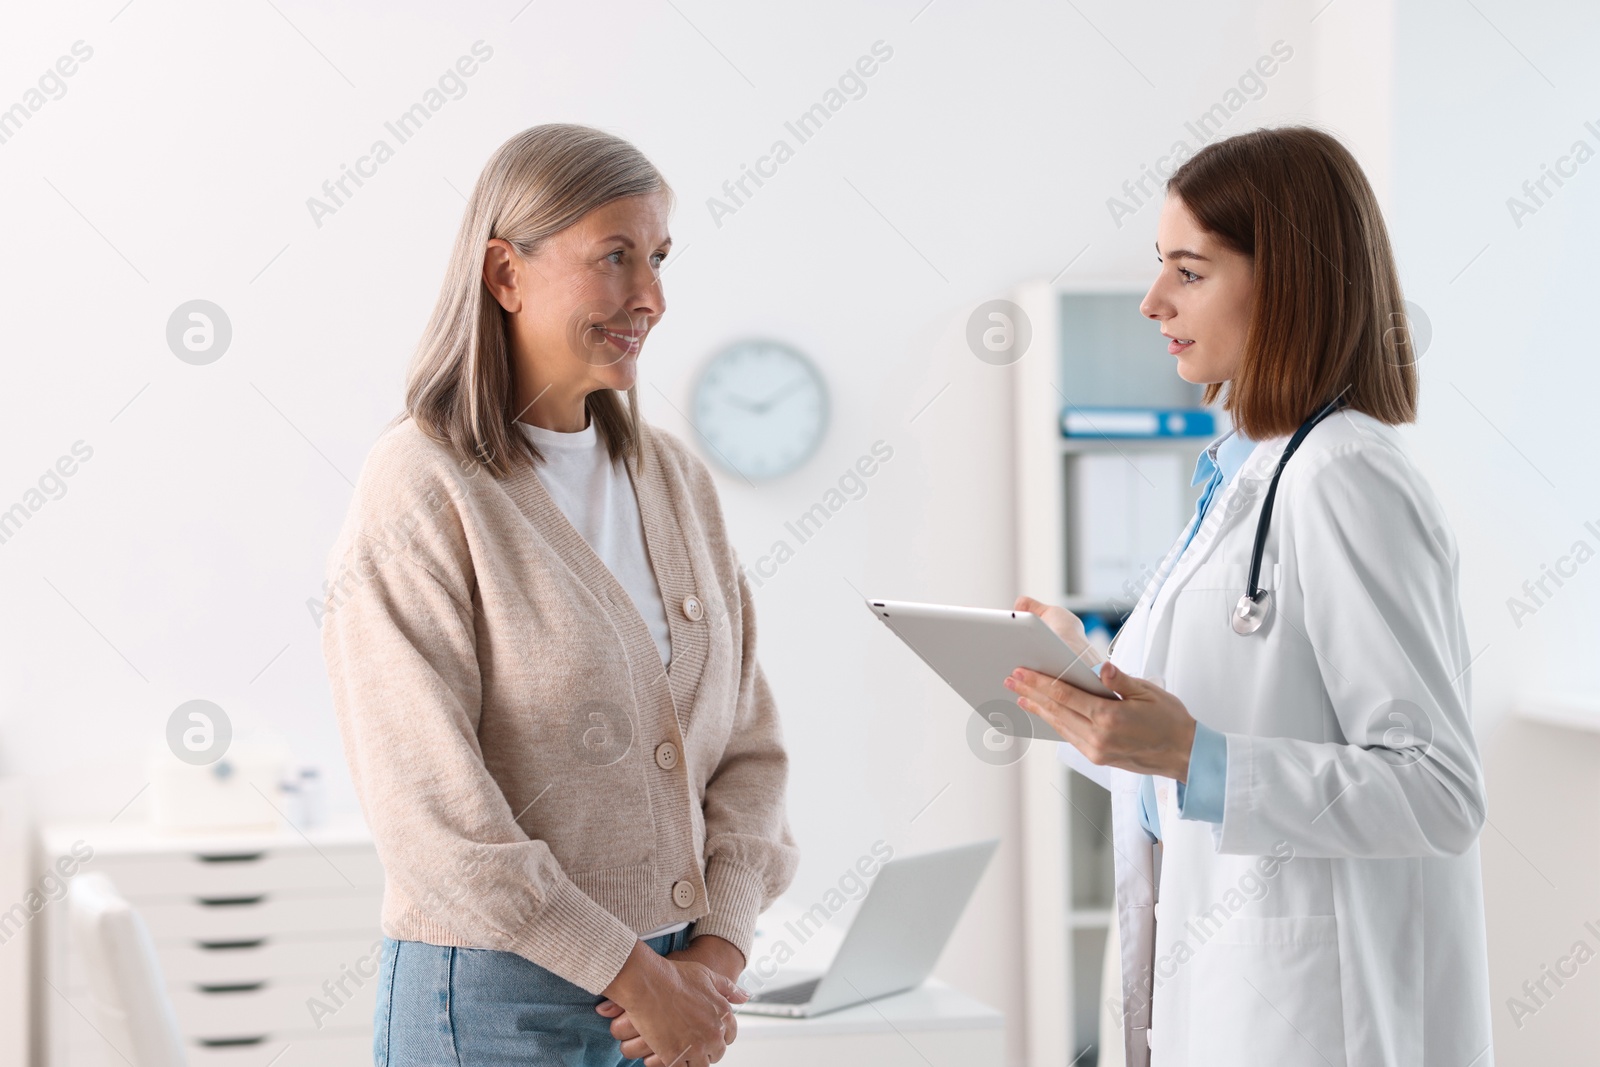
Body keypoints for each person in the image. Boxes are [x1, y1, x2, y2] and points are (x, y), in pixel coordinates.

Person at [1010, 126, 1491, 1066]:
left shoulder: (1345, 475)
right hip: (1227, 997)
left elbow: (1440, 790)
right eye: (1161, 268)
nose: (1154, 301)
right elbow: (1181, 771)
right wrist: (1080, 693)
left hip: (1318, 1017)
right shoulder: (1247, 476)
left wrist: (1198, 755)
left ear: (1289, 280)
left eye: (1188, 272)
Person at [320, 123, 798, 1067]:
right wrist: (633, 974)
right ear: (504, 274)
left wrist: (716, 949)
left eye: (658, 258)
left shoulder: (674, 479)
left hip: (671, 997)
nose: (652, 298)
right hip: (494, 998)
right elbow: (431, 813)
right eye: (615, 257)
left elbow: (749, 748)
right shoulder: (422, 482)